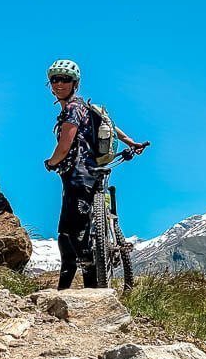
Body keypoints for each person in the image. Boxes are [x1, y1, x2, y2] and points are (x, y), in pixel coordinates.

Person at [43, 59, 147, 290]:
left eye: (65, 79)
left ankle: (84, 289)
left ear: (75, 83)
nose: (59, 84)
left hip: (78, 174)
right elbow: (109, 124)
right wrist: (131, 142)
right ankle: (73, 287)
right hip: (91, 172)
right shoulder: (85, 107)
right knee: (75, 231)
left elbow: (65, 144)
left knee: (70, 233)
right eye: (55, 79)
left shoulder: (71, 109)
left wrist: (50, 162)